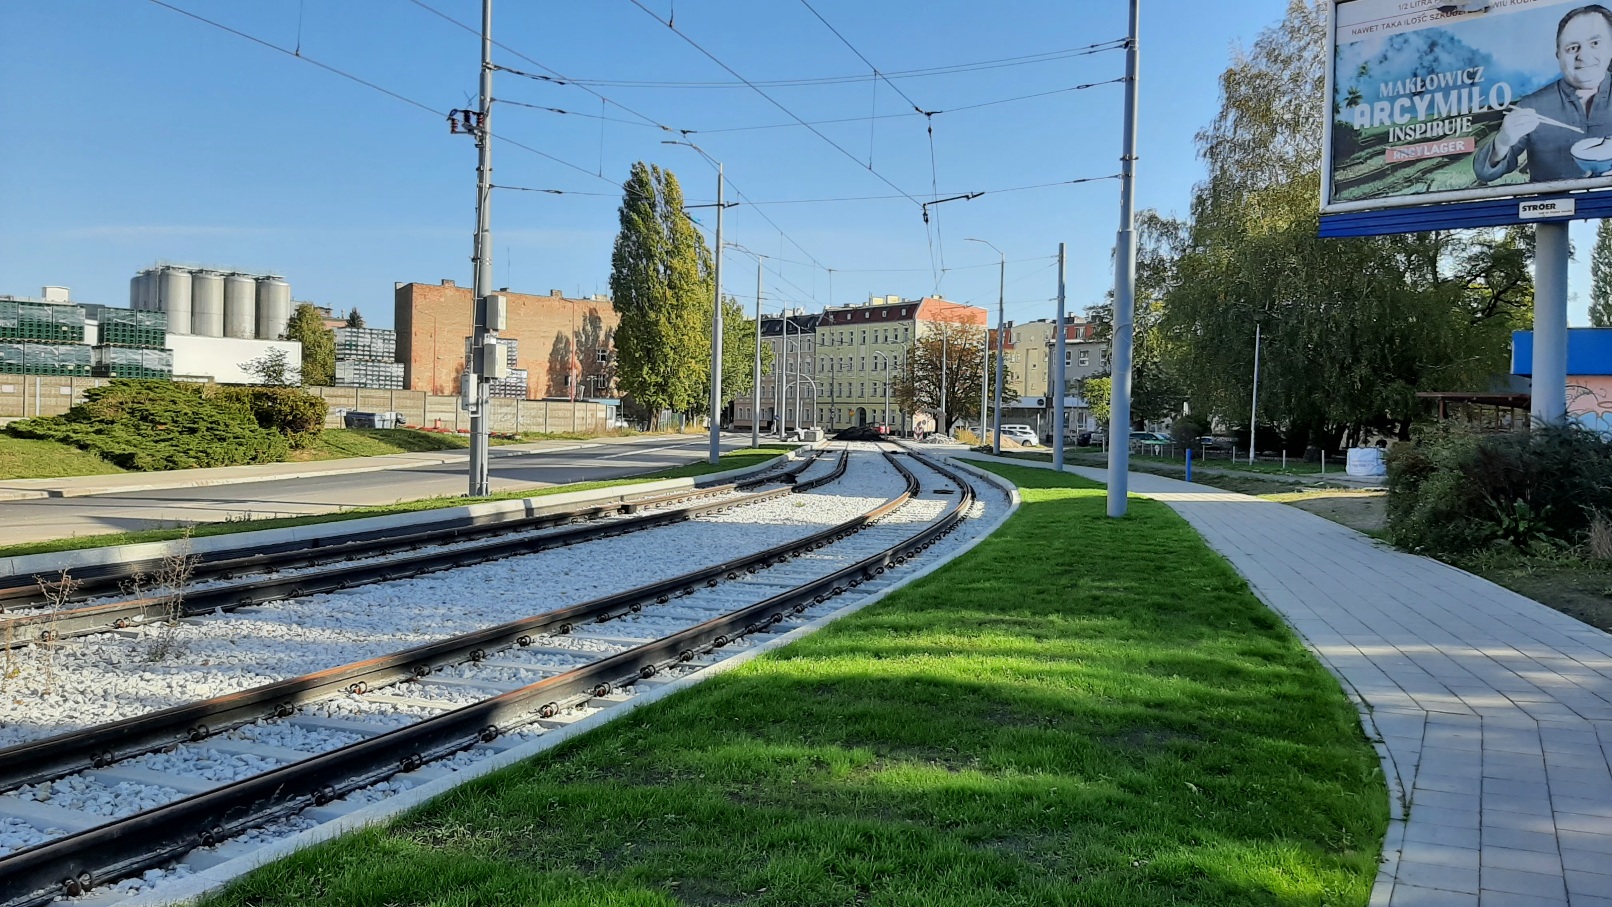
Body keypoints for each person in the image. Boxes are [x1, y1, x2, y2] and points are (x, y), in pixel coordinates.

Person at [1475, 4, 1612, 183]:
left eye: (1595, 43)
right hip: (1551, 208)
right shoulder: (1533, 106)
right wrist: (1502, 142)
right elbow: (1485, 173)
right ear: (1558, 55)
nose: (1583, 55)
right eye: (1572, 48)